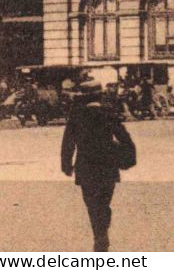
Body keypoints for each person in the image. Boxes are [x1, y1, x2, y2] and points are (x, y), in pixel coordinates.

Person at [61, 83, 136, 252]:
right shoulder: (108, 113)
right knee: (104, 202)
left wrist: (66, 165)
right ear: (100, 96)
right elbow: (125, 138)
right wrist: (129, 159)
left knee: (92, 204)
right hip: (108, 167)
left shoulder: (76, 115)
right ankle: (102, 232)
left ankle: (99, 235)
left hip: (85, 167)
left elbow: (68, 142)